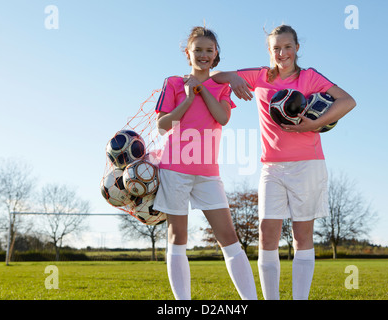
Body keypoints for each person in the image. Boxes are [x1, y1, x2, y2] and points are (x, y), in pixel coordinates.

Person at [212, 25, 356, 300]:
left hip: (308, 165)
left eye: (287, 46)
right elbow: (216, 76)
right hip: (272, 167)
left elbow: (348, 101)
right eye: (276, 48)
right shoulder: (260, 77)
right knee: (267, 236)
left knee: (303, 237)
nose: (282, 52)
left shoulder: (310, 77)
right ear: (270, 51)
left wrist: (313, 124)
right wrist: (233, 78)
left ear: (297, 48)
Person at [153, 26, 257, 300]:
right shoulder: (173, 83)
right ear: (188, 53)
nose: (203, 54)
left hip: (208, 172)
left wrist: (202, 90)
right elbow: (163, 125)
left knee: (229, 238)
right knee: (178, 238)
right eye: (197, 49)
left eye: (208, 50)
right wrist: (188, 98)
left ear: (215, 54)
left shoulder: (222, 85)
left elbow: (222, 118)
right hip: (174, 167)